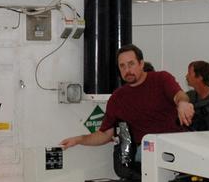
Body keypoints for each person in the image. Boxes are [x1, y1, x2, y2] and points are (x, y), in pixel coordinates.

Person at [61, 44, 194, 150]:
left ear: (141, 64)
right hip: (147, 151)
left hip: (176, 144)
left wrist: (182, 103)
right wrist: (79, 139)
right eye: (122, 66)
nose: (127, 70)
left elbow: (179, 96)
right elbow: (105, 134)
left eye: (131, 64)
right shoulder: (117, 98)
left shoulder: (161, 79)